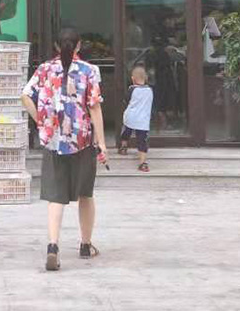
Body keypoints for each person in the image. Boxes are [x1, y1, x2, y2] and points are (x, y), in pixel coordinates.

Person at [21, 26, 108, 271]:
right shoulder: (90, 71)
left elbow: (25, 96)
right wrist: (102, 143)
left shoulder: (44, 69)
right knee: (85, 194)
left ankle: (53, 247)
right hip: (83, 141)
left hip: (54, 140)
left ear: (57, 46)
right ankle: (85, 244)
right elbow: (95, 108)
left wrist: (42, 120)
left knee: (56, 197)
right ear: (79, 45)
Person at [118, 66, 154, 173]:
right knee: (142, 140)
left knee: (126, 132)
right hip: (143, 120)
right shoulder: (150, 90)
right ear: (146, 78)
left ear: (133, 78)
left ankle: (123, 147)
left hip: (131, 117)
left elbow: (126, 100)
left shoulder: (132, 89)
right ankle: (143, 163)